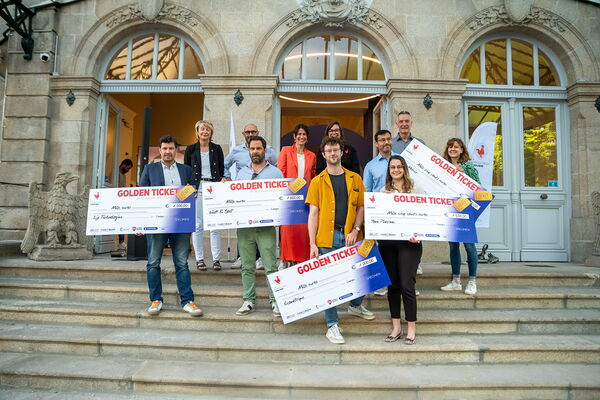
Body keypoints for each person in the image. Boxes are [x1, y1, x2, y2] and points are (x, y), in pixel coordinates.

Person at [306, 135, 375, 344]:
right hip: (325, 239)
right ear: (324, 154)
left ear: (341, 152)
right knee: (329, 283)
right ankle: (332, 325)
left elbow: (361, 207)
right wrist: (312, 243)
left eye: (335, 149)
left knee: (363, 275)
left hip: (351, 237)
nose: (332, 153)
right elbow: (313, 214)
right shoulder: (317, 181)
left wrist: (356, 229)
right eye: (329, 151)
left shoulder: (355, 178)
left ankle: (355, 305)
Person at [139, 135, 203, 317]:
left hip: (180, 223)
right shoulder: (149, 169)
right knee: (153, 263)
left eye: (171, 148)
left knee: (182, 263)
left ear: (176, 150)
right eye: (165, 148)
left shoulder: (186, 170)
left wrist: (184, 194)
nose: (168, 151)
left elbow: (193, 188)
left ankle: (187, 301)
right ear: (160, 150)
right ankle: (155, 300)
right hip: (157, 224)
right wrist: (140, 223)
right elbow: (142, 195)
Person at [234, 136, 282, 317]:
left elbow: (281, 199)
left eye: (258, 148)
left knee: (270, 266)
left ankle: (275, 301)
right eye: (252, 148)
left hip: (266, 227)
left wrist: (280, 216)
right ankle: (248, 300)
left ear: (265, 150)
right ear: (248, 151)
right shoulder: (241, 174)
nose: (255, 152)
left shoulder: (276, 173)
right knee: (247, 266)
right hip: (245, 227)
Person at [380, 155, 422, 345]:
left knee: (406, 285)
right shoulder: (383, 192)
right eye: (392, 167)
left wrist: (420, 233)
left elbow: (425, 216)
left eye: (399, 166)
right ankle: (396, 328)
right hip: (388, 243)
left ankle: (411, 329)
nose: (395, 170)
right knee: (393, 286)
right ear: (389, 171)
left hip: (410, 244)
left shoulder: (416, 190)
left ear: (404, 168)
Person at [224, 123, 277, 269]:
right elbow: (225, 164)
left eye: (253, 131)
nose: (250, 134)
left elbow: (275, 166)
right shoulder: (236, 151)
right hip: (244, 197)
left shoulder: (269, 150)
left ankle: (260, 259)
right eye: (247, 132)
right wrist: (228, 179)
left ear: (258, 132)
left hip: (263, 197)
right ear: (243, 134)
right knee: (244, 228)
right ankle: (242, 257)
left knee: (262, 229)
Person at [440, 138, 481, 295]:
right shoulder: (443, 166)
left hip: (466, 209)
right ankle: (456, 281)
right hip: (450, 209)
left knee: (469, 245)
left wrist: (465, 176)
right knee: (453, 246)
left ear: (462, 150)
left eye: (456, 147)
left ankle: (472, 281)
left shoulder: (468, 166)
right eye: (450, 147)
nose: (453, 149)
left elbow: (479, 187)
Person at [184, 120, 224, 271]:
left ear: (211, 132)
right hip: (197, 188)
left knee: (215, 225)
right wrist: (190, 187)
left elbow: (221, 169)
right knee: (198, 225)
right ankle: (199, 259)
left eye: (208, 129)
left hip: (214, 188)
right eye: (202, 129)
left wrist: (222, 181)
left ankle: (216, 260)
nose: (205, 132)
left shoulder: (217, 148)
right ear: (197, 132)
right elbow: (187, 170)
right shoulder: (191, 149)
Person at [277, 124, 316, 268]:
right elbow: (280, 173)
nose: (301, 137)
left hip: (305, 198)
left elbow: (312, 176)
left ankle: (301, 261)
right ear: (294, 136)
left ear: (307, 138)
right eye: (299, 134)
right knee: (288, 230)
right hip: (289, 196)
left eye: (304, 134)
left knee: (303, 230)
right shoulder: (286, 151)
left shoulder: (312, 155)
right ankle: (285, 259)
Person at [392, 111, 425, 276]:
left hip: (414, 191)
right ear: (397, 124)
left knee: (416, 225)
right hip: (397, 191)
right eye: (401, 121)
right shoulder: (391, 143)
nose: (404, 124)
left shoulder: (420, 143)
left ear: (411, 123)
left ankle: (417, 263)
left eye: (407, 121)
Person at [117, 158, 133, 250]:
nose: (128, 170)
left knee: (121, 221)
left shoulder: (123, 176)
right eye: (128, 168)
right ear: (123, 165)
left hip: (121, 200)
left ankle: (121, 242)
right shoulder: (116, 174)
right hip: (116, 200)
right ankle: (120, 241)